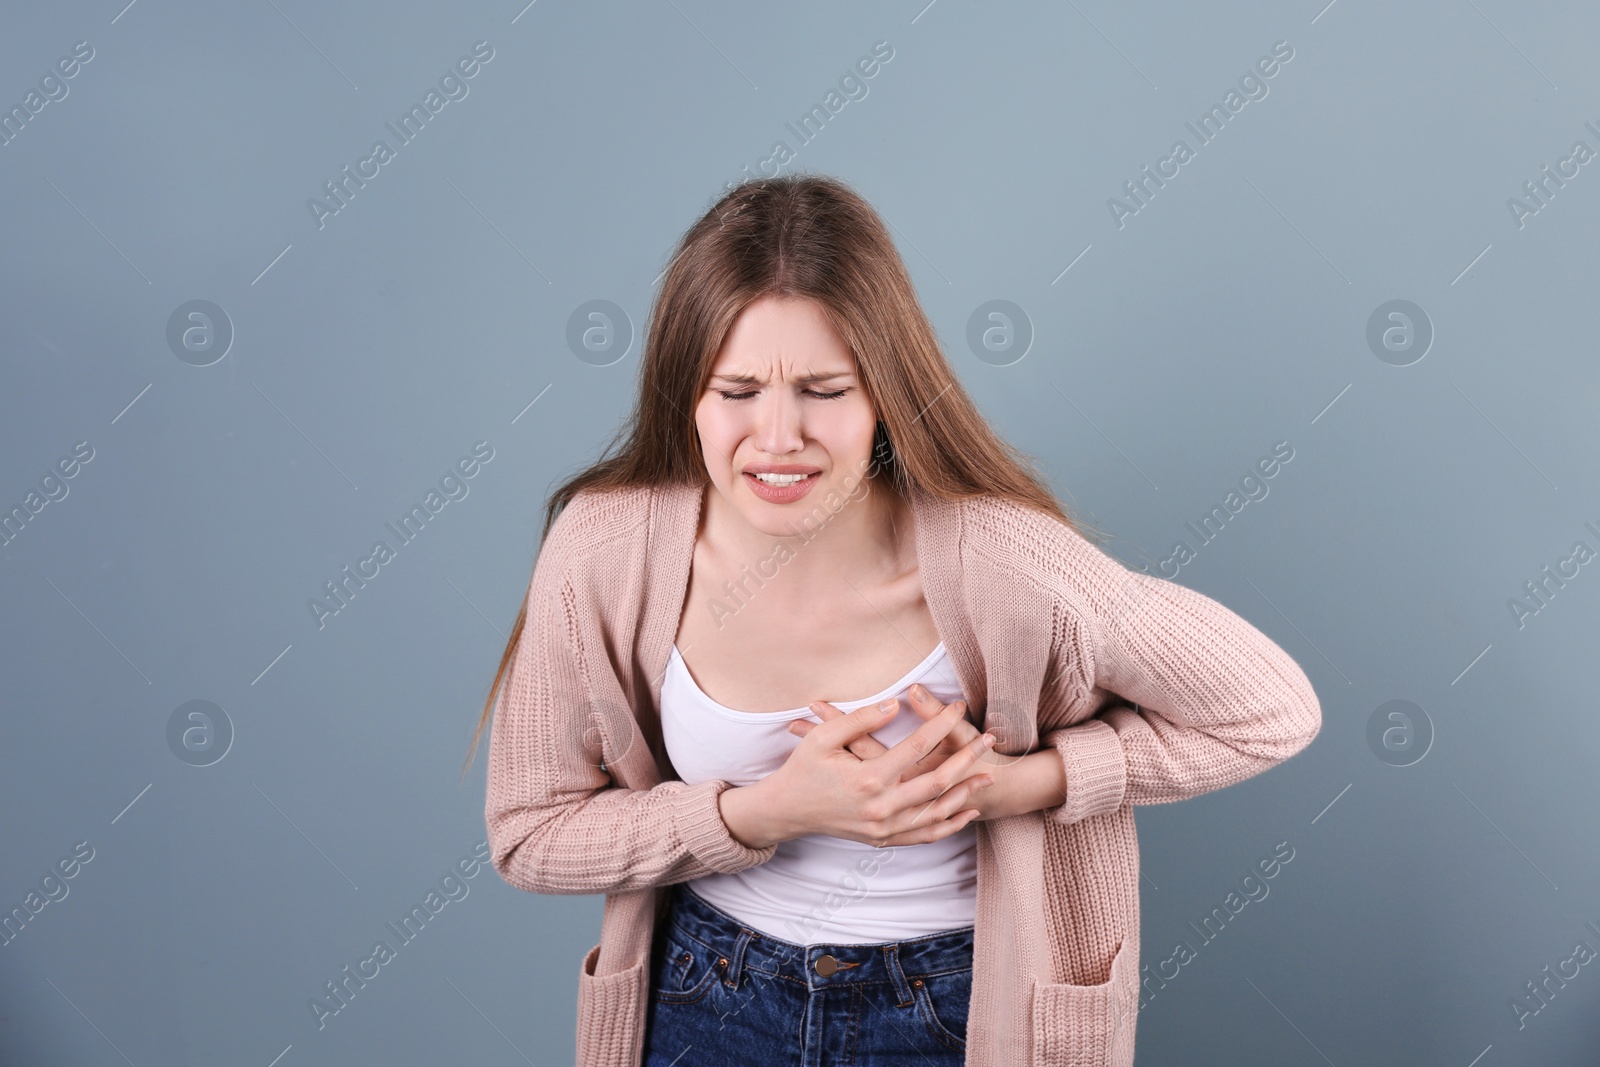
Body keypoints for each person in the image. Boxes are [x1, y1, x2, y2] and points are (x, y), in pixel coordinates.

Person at [467, 174, 1322, 1067]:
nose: (779, 436)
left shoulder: (1002, 560)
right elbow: (530, 833)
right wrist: (763, 812)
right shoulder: (606, 550)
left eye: (825, 390)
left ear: (884, 392)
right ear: (685, 393)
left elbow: (1270, 707)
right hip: (705, 995)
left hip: (953, 1005)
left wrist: (1021, 783)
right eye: (738, 390)